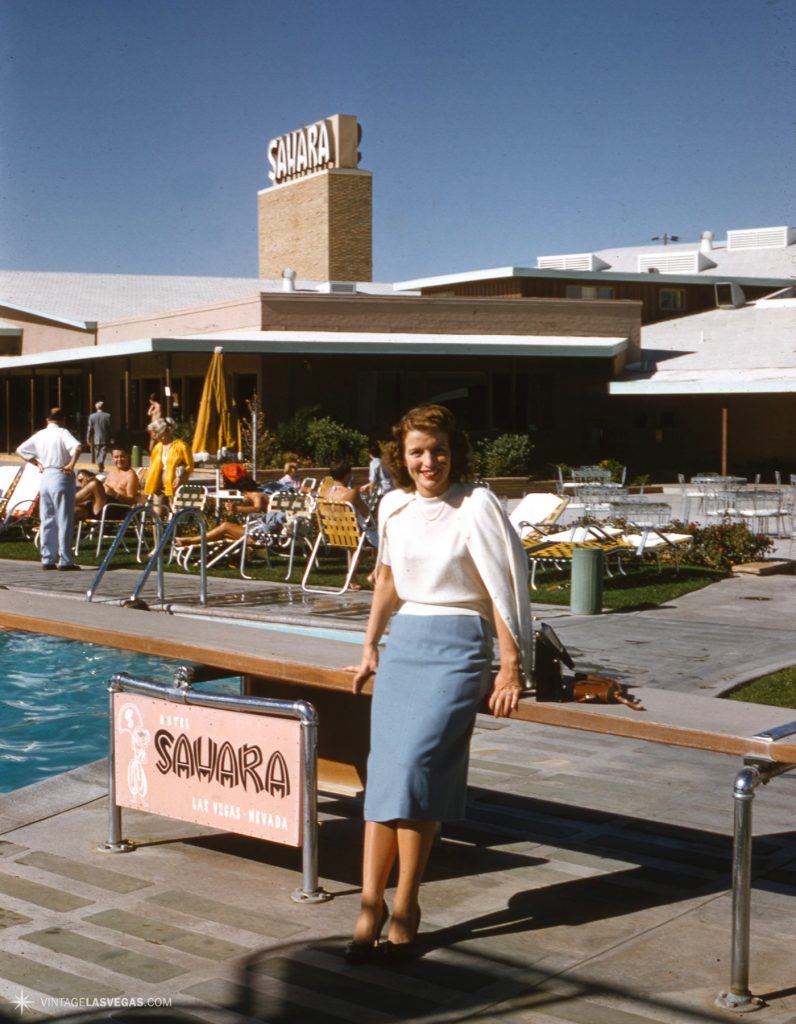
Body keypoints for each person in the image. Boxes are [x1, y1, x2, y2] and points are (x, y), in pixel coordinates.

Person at [345, 404, 532, 964]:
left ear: (456, 450)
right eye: (418, 452)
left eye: (439, 449)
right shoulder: (393, 506)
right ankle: (369, 904)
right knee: (385, 771)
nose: (430, 461)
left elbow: (502, 588)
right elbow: (387, 581)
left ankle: (407, 904)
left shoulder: (476, 504)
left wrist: (509, 666)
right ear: (400, 458)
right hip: (405, 644)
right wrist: (370, 645)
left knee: (417, 766)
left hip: (459, 646)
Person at [16, 407, 82, 570]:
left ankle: (47, 558)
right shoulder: (62, 432)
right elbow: (78, 447)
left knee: (48, 518)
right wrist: (71, 464)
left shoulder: (40, 434)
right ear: (63, 420)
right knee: (64, 518)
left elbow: (20, 450)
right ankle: (65, 559)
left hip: (46, 476)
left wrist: (36, 463)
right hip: (61, 474)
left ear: (47, 420)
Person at [143, 418, 193, 510]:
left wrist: (180, 477)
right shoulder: (157, 447)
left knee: (174, 509)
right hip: (157, 483)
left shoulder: (181, 446)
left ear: (164, 431)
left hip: (174, 484)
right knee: (157, 511)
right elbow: (153, 465)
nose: (153, 435)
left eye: (155, 432)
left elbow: (189, 465)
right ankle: (158, 524)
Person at [86, 400, 113, 471]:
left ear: (96, 407)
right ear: (103, 407)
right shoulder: (108, 416)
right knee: (103, 451)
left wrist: (88, 438)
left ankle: (99, 463)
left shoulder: (91, 416)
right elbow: (110, 428)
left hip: (96, 438)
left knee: (97, 452)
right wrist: (112, 437)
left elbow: (90, 428)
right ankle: (101, 462)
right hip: (105, 437)